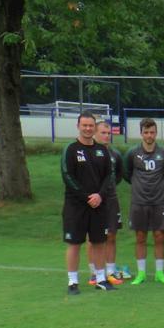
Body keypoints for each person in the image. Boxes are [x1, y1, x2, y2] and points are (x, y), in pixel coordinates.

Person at [62, 111, 115, 295]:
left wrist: (99, 196)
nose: (87, 128)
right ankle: (72, 282)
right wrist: (86, 197)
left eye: (91, 125)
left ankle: (100, 279)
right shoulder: (71, 149)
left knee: (99, 242)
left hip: (99, 205)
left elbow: (109, 176)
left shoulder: (102, 150)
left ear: (94, 127)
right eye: (84, 125)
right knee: (74, 243)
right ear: (78, 126)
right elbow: (67, 176)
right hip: (76, 206)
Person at [125, 118, 164, 285]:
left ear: (156, 133)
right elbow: (127, 174)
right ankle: (141, 273)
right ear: (141, 134)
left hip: (159, 201)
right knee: (140, 237)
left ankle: (159, 273)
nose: (149, 135)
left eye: (152, 132)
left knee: (159, 236)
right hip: (139, 201)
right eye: (146, 132)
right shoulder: (132, 153)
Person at [86, 120, 123, 286]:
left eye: (109, 133)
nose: (107, 136)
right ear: (95, 133)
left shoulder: (115, 155)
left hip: (111, 200)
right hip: (94, 201)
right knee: (93, 238)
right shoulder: (88, 152)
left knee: (111, 235)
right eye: (103, 133)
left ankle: (110, 272)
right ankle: (94, 273)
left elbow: (119, 176)